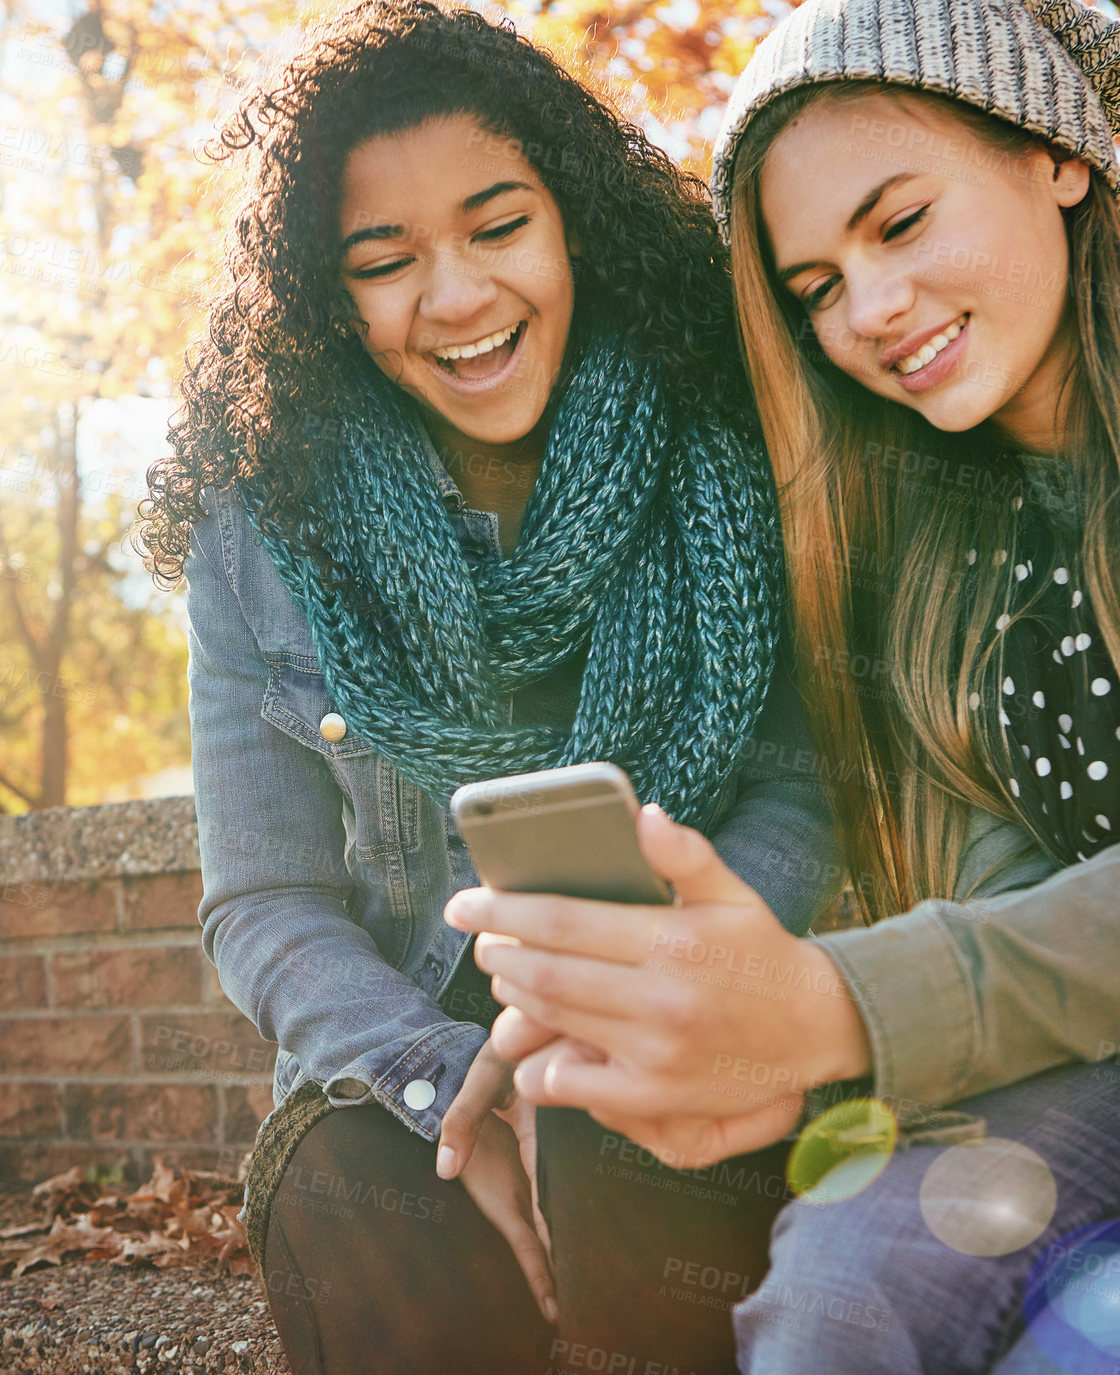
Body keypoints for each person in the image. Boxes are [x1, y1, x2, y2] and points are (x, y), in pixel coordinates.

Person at [446, 0, 1120, 1370]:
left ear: (1055, 155)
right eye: (814, 287)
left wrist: (830, 1006)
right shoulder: (921, 524)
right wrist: (710, 1028)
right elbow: (1003, 907)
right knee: (837, 1306)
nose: (868, 313)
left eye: (900, 223)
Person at [134, 2, 845, 1371]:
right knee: (380, 1225)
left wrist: (637, 1003)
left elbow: (803, 787)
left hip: (682, 1015)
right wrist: (454, 1076)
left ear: (573, 220)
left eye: (499, 226)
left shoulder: (738, 441)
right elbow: (265, 901)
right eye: (385, 261)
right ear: (327, 298)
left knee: (627, 1143)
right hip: (385, 1082)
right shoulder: (255, 531)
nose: (457, 299)